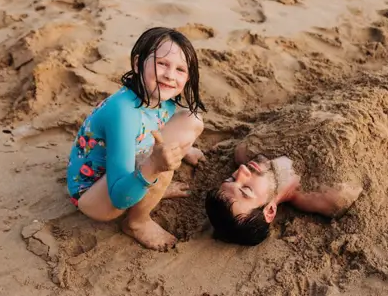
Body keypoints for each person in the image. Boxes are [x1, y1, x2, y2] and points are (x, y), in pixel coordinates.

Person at [66, 27, 206, 251]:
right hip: (93, 194)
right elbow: (119, 198)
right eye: (162, 64)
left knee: (192, 120)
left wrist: (183, 149)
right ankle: (137, 222)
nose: (170, 75)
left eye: (180, 69)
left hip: (127, 161)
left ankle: (150, 188)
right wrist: (153, 165)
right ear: (137, 63)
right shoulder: (123, 112)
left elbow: (158, 123)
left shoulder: (164, 98)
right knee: (162, 169)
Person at [205, 142, 363, 246]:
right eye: (246, 189)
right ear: (270, 210)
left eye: (231, 178)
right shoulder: (330, 193)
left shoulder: (247, 149)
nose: (242, 170)